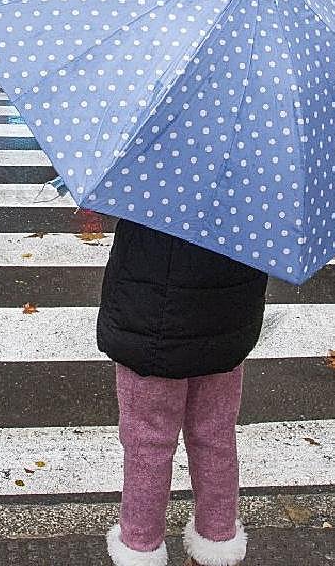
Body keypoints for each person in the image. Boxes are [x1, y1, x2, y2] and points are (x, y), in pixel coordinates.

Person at [97, 221, 268, 566]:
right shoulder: (256, 186)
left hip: (148, 328)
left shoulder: (149, 176)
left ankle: (140, 548)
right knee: (215, 437)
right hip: (225, 332)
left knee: (147, 445)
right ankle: (217, 544)